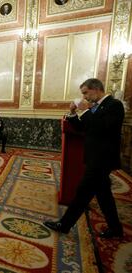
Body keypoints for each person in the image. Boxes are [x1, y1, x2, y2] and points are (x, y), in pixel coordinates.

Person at [43, 78, 125, 238]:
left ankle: (64, 224)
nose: (85, 97)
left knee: (82, 192)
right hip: (95, 158)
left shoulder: (114, 105)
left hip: (102, 159)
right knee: (103, 195)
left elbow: (105, 127)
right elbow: (81, 127)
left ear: (96, 89)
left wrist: (89, 109)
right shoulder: (96, 108)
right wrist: (73, 113)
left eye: (86, 93)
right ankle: (116, 229)